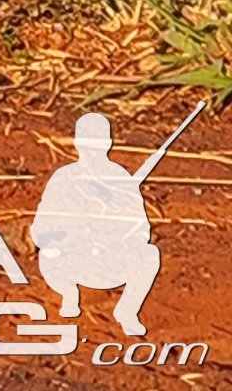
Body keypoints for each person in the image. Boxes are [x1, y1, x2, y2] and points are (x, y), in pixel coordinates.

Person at [30, 112, 161, 335]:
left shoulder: (120, 179)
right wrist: (70, 231)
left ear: (108, 143)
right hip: (72, 258)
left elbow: (141, 230)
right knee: (49, 253)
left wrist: (114, 232)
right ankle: (69, 295)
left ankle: (127, 311)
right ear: (77, 144)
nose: (92, 152)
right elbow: (42, 225)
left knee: (149, 254)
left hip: (110, 260)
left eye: (97, 144)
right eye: (87, 144)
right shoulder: (64, 177)